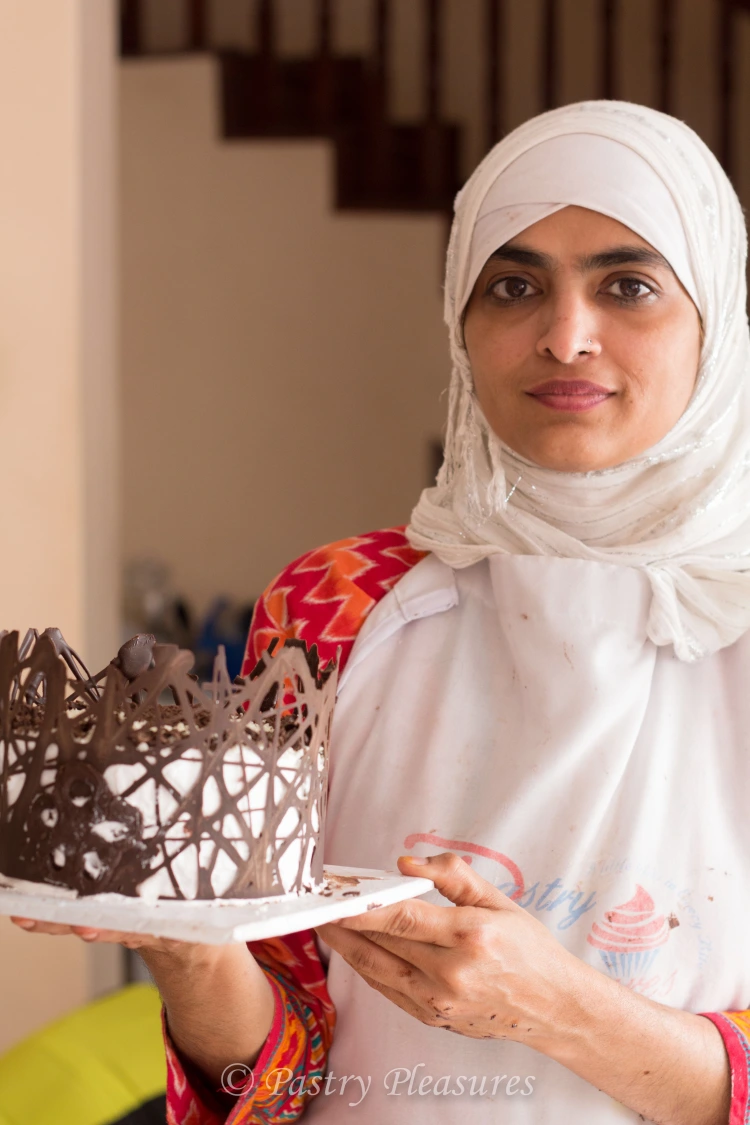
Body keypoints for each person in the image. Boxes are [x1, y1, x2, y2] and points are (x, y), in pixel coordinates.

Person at [12, 99, 750, 1123]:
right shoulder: (339, 602)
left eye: (628, 285)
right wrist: (190, 946)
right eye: (513, 286)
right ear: (460, 323)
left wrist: (561, 1009)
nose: (565, 336)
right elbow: (279, 1080)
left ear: (717, 313)